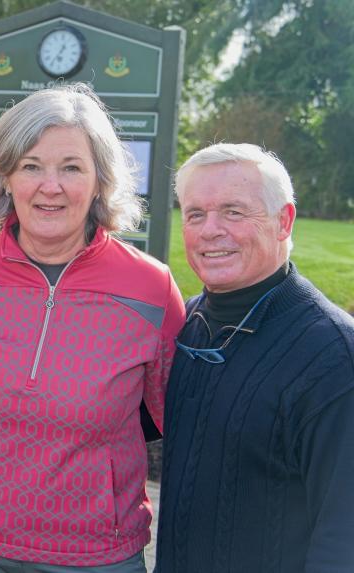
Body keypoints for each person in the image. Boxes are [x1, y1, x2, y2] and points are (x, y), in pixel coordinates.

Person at [0, 84, 186, 572]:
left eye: (71, 167)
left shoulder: (150, 288)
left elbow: (180, 420)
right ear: (6, 177)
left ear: (100, 180)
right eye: (31, 166)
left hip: (95, 553)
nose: (51, 186)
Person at [155, 143, 354, 572]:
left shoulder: (334, 356)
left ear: (284, 221)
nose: (210, 230)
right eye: (195, 214)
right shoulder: (186, 326)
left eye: (233, 211)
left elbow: (344, 538)